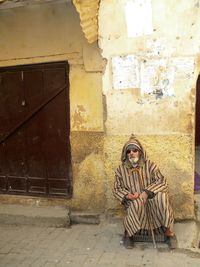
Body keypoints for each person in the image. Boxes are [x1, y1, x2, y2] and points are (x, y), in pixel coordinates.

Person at [113, 134, 177, 249]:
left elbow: (162, 182)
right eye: (129, 151)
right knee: (136, 204)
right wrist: (128, 195)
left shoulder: (150, 165)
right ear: (126, 154)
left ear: (140, 152)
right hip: (134, 199)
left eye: (135, 150)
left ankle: (169, 233)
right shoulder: (120, 170)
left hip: (150, 197)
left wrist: (147, 192)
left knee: (162, 197)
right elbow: (117, 189)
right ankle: (129, 234)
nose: (132, 153)